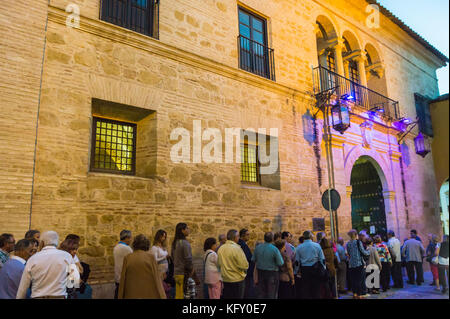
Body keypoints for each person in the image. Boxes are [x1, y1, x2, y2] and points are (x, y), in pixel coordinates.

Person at [16, 231, 77, 299]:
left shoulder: (33, 258)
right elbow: (74, 280)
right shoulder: (67, 256)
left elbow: (23, 286)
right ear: (57, 242)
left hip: (38, 297)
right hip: (59, 296)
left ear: (42, 243)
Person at [118, 234, 166, 299]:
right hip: (149, 293)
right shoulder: (150, 257)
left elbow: (123, 279)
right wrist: (163, 295)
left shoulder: (128, 258)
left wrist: (120, 296)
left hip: (131, 293)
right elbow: (156, 278)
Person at [217, 229, 249, 299]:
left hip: (225, 280)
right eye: (238, 236)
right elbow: (245, 265)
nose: (238, 238)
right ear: (235, 238)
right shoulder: (237, 249)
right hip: (237, 280)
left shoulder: (221, 248)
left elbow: (218, 264)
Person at [252, 232, 284, 299]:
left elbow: (253, 259)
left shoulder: (258, 248)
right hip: (272, 274)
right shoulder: (274, 249)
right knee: (271, 294)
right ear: (272, 239)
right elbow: (280, 263)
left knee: (261, 294)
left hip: (260, 273)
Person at [295, 230, 326, 299]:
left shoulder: (299, 247)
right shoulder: (317, 245)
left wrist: (296, 271)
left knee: (306, 290)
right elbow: (322, 259)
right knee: (316, 289)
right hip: (315, 268)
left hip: (305, 270)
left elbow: (297, 261)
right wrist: (323, 269)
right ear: (311, 236)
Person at [172, 223, 194, 299]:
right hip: (183, 273)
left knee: (178, 295)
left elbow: (173, 257)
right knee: (183, 295)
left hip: (176, 272)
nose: (188, 230)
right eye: (187, 228)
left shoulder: (175, 242)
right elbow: (188, 259)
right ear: (182, 230)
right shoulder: (185, 243)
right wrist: (191, 269)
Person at [346, 229, 370, 299]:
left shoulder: (348, 243)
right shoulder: (358, 242)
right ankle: (359, 295)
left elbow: (349, 253)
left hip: (351, 264)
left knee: (353, 280)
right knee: (359, 279)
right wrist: (368, 252)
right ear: (356, 235)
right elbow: (363, 251)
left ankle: (355, 294)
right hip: (359, 263)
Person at [113, 230, 133, 299]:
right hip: (125, 278)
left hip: (117, 276)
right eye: (130, 238)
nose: (131, 240)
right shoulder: (127, 248)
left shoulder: (116, 247)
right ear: (126, 238)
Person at [238, 228, 255, 299]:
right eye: (247, 235)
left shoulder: (242, 244)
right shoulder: (242, 245)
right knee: (246, 292)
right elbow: (246, 258)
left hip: (246, 273)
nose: (249, 236)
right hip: (246, 273)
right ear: (242, 236)